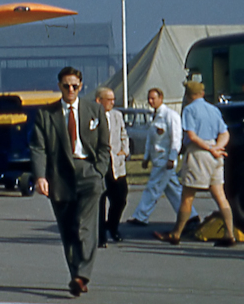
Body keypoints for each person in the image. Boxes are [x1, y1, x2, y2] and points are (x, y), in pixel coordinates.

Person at [29, 67, 110, 296]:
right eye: (66, 86)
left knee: (85, 225)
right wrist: (41, 176)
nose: (71, 90)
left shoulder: (94, 110)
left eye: (75, 86)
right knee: (68, 230)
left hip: (89, 173)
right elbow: (38, 147)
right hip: (60, 175)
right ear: (60, 86)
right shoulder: (47, 115)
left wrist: (99, 171)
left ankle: (83, 273)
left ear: (81, 86)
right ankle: (77, 276)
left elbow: (104, 146)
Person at [154, 81, 235, 247]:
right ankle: (229, 233)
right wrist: (217, 147)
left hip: (199, 153)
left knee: (187, 197)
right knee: (220, 196)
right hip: (217, 154)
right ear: (203, 93)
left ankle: (176, 234)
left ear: (188, 95)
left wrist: (209, 148)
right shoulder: (214, 109)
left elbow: (191, 136)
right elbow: (224, 133)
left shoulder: (189, 110)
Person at [129, 87, 182, 226]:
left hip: (165, 160)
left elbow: (176, 138)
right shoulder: (154, 116)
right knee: (174, 190)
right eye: (149, 99)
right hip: (157, 158)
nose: (150, 101)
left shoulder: (170, 115)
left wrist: (172, 157)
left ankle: (141, 216)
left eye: (153, 98)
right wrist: (146, 157)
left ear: (161, 98)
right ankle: (190, 216)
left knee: (153, 188)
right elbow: (150, 139)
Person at [95, 88, 127, 245]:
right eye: (109, 99)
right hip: (100, 164)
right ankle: (101, 236)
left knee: (120, 198)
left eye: (114, 99)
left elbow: (123, 134)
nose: (112, 103)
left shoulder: (117, 115)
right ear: (99, 100)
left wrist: (124, 151)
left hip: (116, 163)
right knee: (100, 200)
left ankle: (112, 226)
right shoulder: (92, 117)